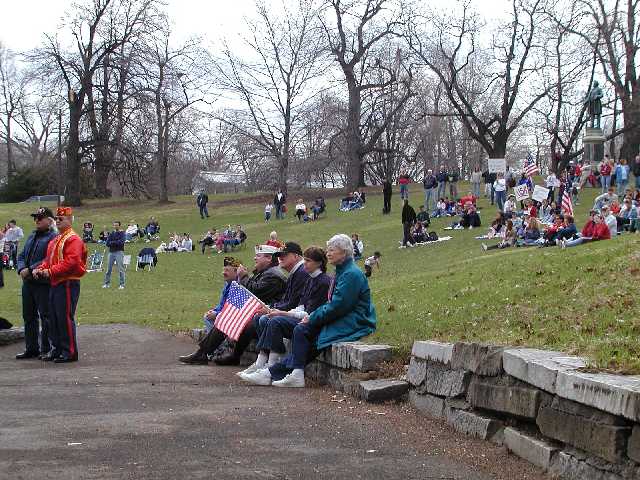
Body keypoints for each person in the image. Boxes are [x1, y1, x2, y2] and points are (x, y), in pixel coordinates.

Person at [243, 234, 376, 388]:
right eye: (328, 250)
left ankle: (275, 373)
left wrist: (312, 317)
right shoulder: (342, 272)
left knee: (309, 333)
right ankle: (288, 373)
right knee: (303, 330)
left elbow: (338, 306)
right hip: (343, 317)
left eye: (332, 250)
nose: (328, 253)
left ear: (344, 252)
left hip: (355, 320)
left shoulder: (351, 274)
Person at [179, 244, 287, 365]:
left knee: (240, 321)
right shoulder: (264, 273)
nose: (254, 258)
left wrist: (243, 276)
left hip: (268, 315)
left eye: (258, 255)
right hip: (261, 314)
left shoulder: (274, 275)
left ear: (268, 258)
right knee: (227, 317)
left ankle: (229, 356)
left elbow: (255, 293)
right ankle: (203, 353)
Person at [237, 246, 331, 382]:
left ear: (319, 263)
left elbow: (310, 312)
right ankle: (264, 364)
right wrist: (279, 311)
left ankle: (270, 366)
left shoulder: (321, 281)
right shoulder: (310, 278)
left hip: (311, 322)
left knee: (274, 321)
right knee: (266, 318)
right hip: (302, 317)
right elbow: (300, 305)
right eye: (305, 260)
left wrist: (282, 313)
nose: (305, 264)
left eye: (308, 261)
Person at [32, 207, 87, 363]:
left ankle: (69, 351)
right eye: (56, 218)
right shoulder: (57, 239)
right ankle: (56, 349)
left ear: (70, 220)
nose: (57, 221)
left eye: (61, 219)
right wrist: (41, 268)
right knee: (54, 317)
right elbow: (49, 260)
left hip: (68, 281)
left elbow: (72, 262)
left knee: (64, 317)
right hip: (56, 282)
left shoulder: (73, 239)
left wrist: (50, 271)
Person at [15, 207, 57, 360]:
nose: (37, 220)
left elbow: (50, 258)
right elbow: (21, 255)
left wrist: (31, 268)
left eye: (41, 217)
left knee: (46, 316)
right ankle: (31, 348)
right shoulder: (32, 235)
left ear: (50, 220)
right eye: (35, 218)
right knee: (28, 316)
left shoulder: (54, 237)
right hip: (28, 283)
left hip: (42, 282)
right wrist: (21, 269)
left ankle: (46, 348)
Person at [202, 256, 241, 333]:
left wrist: (217, 314)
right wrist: (214, 311)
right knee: (207, 315)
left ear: (236, 272)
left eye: (227, 270)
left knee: (208, 318)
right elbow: (222, 303)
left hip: (233, 317)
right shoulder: (227, 284)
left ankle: (221, 343)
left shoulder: (239, 286)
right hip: (224, 313)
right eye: (223, 270)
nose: (223, 273)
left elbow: (233, 309)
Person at [103, 221, 126, 289]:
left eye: (117, 225)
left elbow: (121, 242)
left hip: (119, 252)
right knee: (108, 269)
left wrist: (112, 242)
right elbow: (107, 243)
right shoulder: (111, 233)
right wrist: (115, 242)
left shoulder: (122, 233)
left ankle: (122, 284)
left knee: (121, 269)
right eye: (114, 225)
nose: (115, 226)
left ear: (119, 226)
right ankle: (107, 284)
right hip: (111, 253)